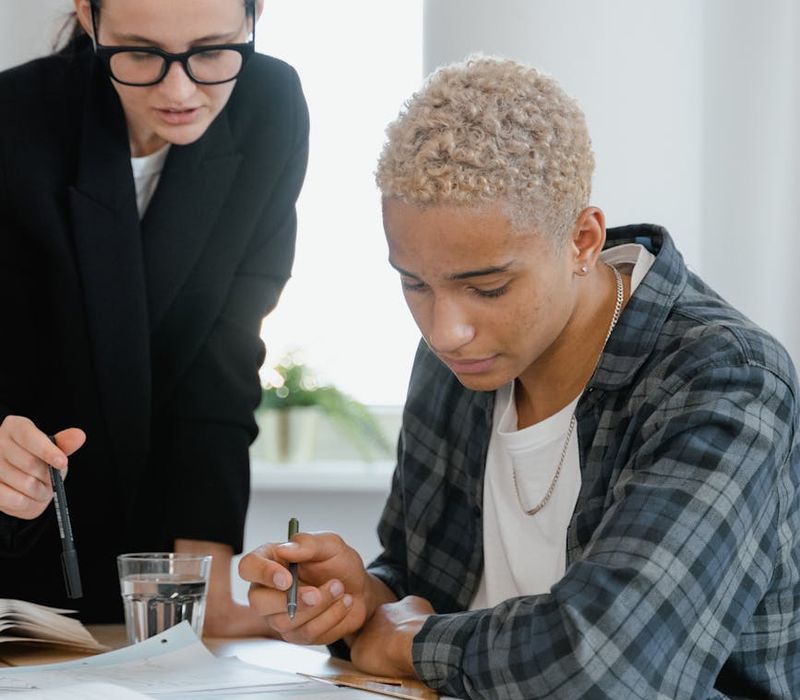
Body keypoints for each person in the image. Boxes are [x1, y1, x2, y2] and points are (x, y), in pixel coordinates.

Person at [238, 55, 800, 697]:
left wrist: (406, 643)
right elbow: (424, 587)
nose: (445, 330)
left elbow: (610, 670)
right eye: (415, 284)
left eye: (487, 287)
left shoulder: (725, 379)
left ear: (583, 241)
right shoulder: (457, 361)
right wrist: (361, 599)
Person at [0, 0, 309, 635]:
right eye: (140, 53)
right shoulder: (14, 119)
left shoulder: (267, 106)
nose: (179, 91)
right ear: (88, 16)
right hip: (22, 534)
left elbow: (223, 353)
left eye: (213, 51)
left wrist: (208, 587)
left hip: (148, 551)